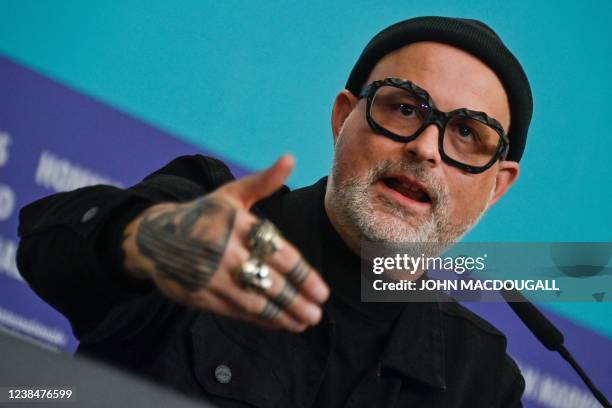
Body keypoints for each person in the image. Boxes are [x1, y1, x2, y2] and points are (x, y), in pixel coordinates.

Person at [17, 16, 532, 407]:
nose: (425, 147)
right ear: (343, 118)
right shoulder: (208, 213)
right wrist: (144, 241)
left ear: (498, 186)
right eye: (404, 108)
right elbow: (50, 250)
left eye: (467, 134)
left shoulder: (482, 380)